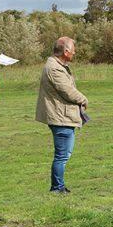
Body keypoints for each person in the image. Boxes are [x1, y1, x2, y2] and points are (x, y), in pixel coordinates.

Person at [35, 37, 89, 193]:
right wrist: (83, 99)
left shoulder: (57, 65)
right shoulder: (54, 68)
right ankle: (57, 188)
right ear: (65, 51)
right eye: (72, 49)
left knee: (64, 154)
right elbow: (67, 91)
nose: (74, 52)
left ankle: (58, 186)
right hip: (60, 117)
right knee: (62, 155)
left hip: (62, 116)